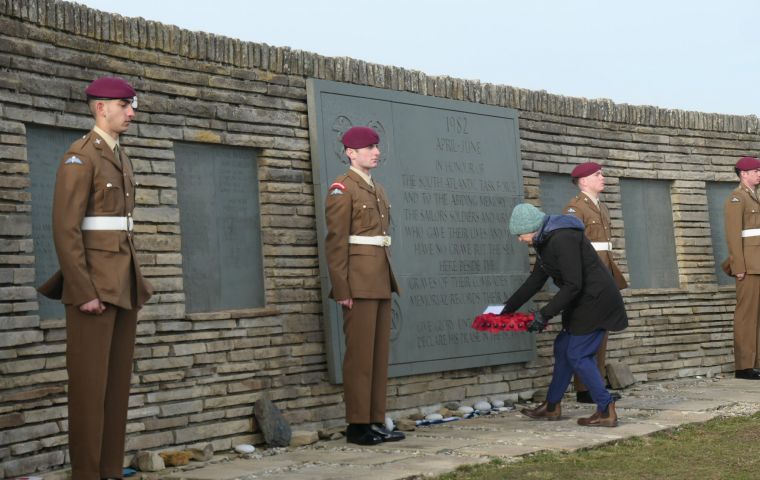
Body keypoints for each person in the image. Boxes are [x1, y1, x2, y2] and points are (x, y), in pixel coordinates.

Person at [37, 76, 153, 479]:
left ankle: (108, 470)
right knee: (89, 389)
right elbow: (65, 228)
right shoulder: (80, 156)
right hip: (93, 287)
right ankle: (87, 473)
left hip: (123, 281)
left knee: (116, 387)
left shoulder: (120, 156)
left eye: (131, 105)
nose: (131, 112)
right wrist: (83, 289)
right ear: (101, 107)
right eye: (125, 105)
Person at [502, 203, 628, 427]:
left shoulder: (562, 239)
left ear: (532, 227)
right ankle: (552, 407)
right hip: (581, 301)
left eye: (520, 234)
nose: (520, 240)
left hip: (596, 301)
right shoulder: (545, 241)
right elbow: (536, 281)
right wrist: (507, 308)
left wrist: (544, 315)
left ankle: (606, 408)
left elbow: (573, 284)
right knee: (563, 348)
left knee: (578, 354)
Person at [324, 126, 404, 445]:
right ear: (351, 152)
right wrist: (342, 289)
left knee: (378, 355)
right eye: (369, 147)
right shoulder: (342, 189)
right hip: (358, 282)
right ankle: (357, 425)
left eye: (376, 147)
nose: (376, 152)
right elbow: (335, 242)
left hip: (380, 278)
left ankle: (374, 419)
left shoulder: (378, 189)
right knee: (359, 356)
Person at [563, 161, 627, 403]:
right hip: (590, 278)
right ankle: (585, 388)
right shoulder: (574, 208)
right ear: (583, 181)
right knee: (589, 331)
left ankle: (596, 384)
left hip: (604, 274)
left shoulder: (602, 207)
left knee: (602, 331)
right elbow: (573, 248)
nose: (603, 177)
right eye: (597, 174)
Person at [723, 156, 760, 380]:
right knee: (746, 316)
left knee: (757, 316)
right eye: (754, 171)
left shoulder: (754, 198)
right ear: (743, 174)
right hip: (748, 265)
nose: (758, 174)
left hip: (758, 263)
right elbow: (733, 236)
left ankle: (755, 362)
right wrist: (738, 267)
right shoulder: (736, 198)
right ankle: (744, 365)